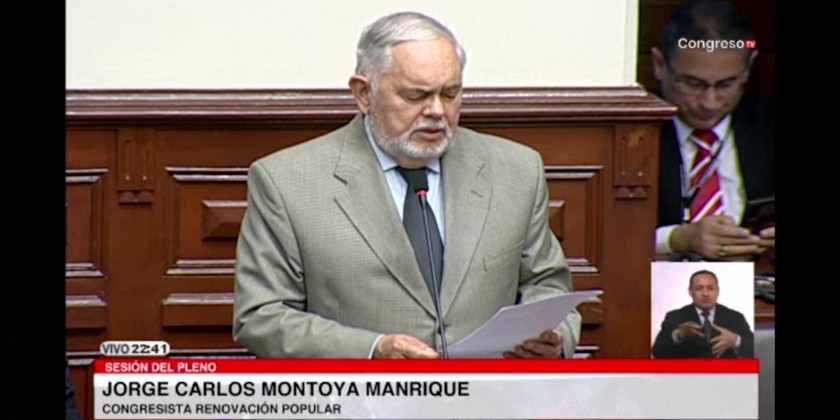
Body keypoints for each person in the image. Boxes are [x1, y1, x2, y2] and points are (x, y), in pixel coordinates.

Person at [233, 11, 581, 359]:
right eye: (415, 96)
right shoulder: (286, 183)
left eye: (450, 93)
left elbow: (547, 285)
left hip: (491, 389)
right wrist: (372, 351)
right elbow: (262, 316)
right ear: (364, 94)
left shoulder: (516, 170)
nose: (437, 111)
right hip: (363, 392)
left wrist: (555, 338)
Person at [652, 0, 774, 261]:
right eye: (693, 84)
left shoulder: (768, 124)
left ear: (748, 67)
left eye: (726, 85)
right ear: (659, 65)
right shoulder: (635, 135)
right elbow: (607, 233)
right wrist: (676, 239)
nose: (710, 102)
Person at [652, 269, 753, 358]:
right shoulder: (675, 317)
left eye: (710, 288)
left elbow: (755, 350)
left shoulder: (735, 317)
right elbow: (657, 352)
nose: (705, 294)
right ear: (690, 292)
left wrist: (735, 340)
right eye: (699, 288)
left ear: (718, 291)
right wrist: (679, 335)